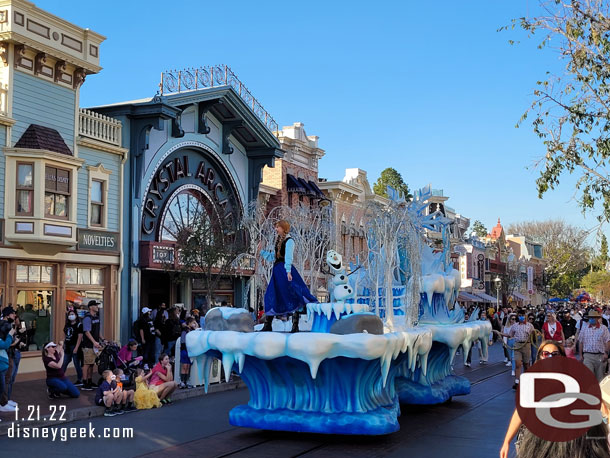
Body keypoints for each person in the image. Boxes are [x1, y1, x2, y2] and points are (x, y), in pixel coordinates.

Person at [259, 220, 318, 333]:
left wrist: (288, 272)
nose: (276, 229)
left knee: (293, 294)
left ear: (283, 228)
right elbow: (273, 257)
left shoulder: (289, 241)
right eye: (276, 227)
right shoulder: (278, 241)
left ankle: (295, 325)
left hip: (284, 270)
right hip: (277, 271)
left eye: (278, 227)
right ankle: (268, 325)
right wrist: (261, 252)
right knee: (272, 294)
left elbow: (288, 258)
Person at [502, 309, 535, 390]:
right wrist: (501, 334)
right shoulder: (515, 326)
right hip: (517, 346)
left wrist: (535, 335)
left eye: (523, 315)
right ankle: (517, 382)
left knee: (526, 364)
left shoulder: (530, 326)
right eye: (520, 315)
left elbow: (534, 336)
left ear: (525, 316)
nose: (521, 317)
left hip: (526, 345)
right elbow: (510, 335)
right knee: (518, 364)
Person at [577, 309, 610, 381]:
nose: (592, 319)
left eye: (593, 317)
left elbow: (607, 341)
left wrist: (606, 353)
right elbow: (581, 342)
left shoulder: (603, 328)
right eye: (590, 318)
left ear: (597, 318)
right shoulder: (584, 328)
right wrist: (580, 355)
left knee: (600, 378)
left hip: (600, 355)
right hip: (588, 355)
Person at [81, 300, 104, 391]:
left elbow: (97, 331)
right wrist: (94, 342)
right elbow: (87, 332)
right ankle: (84, 382)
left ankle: (90, 381)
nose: (97, 307)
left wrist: (103, 339)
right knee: (86, 364)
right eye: (95, 305)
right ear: (90, 307)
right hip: (88, 345)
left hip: (95, 345)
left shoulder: (96, 317)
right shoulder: (87, 318)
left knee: (91, 364)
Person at [1, 307, 20, 409]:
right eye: (13, 314)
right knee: (6, 378)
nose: (14, 316)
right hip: (7, 355)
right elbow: (5, 343)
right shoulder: (6, 325)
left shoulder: (8, 325)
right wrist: (15, 341)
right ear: (7, 315)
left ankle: (6, 399)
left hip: (9, 354)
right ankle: (4, 402)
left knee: (7, 379)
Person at [61, 308, 83, 386]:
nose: (71, 316)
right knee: (65, 362)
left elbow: (80, 337)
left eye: (72, 314)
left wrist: (76, 348)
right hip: (67, 346)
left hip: (75, 345)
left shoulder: (79, 325)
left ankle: (80, 379)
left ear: (76, 316)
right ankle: (60, 377)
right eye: (70, 314)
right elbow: (65, 334)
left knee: (77, 363)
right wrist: (62, 344)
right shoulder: (67, 325)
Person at [0, 320, 15, 413]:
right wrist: (10, 335)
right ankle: (3, 404)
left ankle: (3, 403)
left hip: (2, 368)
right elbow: (5, 345)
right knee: (1, 387)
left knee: (2, 387)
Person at [179, 317, 197, 388]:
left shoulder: (192, 330)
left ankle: (186, 381)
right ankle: (182, 381)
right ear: (189, 323)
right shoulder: (185, 330)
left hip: (190, 350)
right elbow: (183, 341)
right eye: (193, 323)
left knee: (188, 366)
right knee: (184, 366)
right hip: (185, 350)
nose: (194, 324)